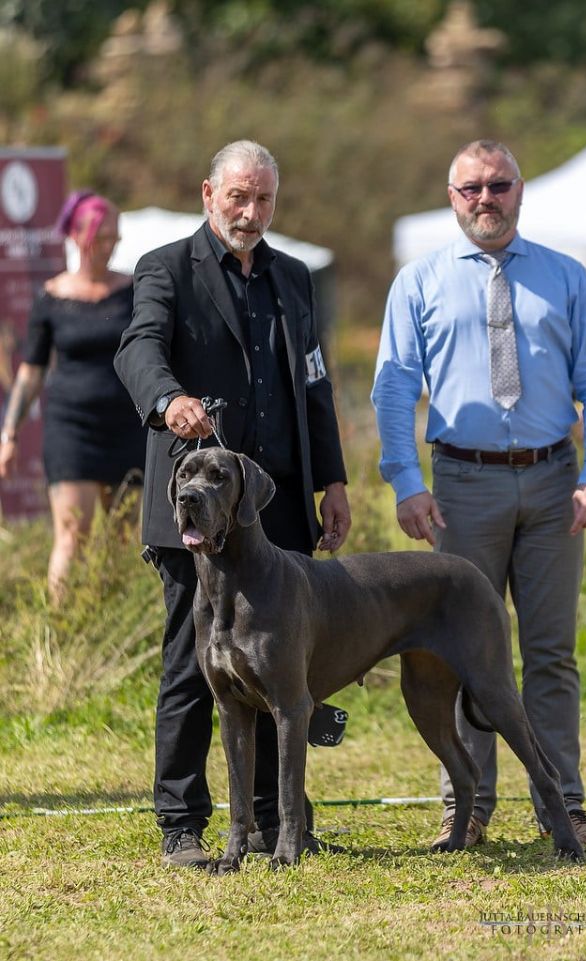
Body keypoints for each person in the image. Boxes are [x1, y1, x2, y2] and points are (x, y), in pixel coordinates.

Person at [372, 139, 586, 850]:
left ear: (520, 190)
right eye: (471, 188)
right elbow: (394, 384)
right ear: (451, 197)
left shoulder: (567, 277)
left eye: (499, 185)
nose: (486, 199)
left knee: (551, 653)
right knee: (460, 651)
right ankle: (467, 808)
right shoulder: (418, 281)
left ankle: (565, 808)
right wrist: (406, 482)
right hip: (460, 485)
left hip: (553, 484)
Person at [114, 140, 351, 870]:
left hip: (275, 502)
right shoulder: (165, 267)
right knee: (194, 666)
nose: (250, 212)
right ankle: (182, 822)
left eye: (263, 199)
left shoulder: (294, 277)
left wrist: (333, 480)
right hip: (196, 503)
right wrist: (168, 398)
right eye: (238, 197)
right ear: (208, 193)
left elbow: (314, 382)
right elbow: (137, 348)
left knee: (284, 668)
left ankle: (280, 823)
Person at [0, 191, 147, 603]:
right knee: (71, 533)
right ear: (79, 236)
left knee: (122, 536)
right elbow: (31, 371)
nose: (110, 245)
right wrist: (9, 434)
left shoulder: (134, 290)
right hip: (71, 429)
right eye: (103, 237)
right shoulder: (51, 296)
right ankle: (61, 621)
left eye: (115, 237)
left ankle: (110, 618)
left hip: (125, 427)